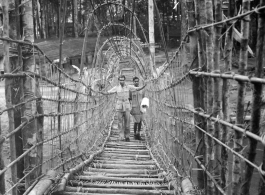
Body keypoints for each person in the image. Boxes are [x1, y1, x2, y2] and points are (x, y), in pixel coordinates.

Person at [107, 75, 145, 142]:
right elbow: (108, 92)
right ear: (119, 80)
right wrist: (101, 92)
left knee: (127, 122)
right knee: (119, 122)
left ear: (125, 80)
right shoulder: (116, 88)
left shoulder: (128, 87)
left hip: (127, 106)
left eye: (123, 80)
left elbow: (137, 88)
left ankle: (127, 136)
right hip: (119, 107)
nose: (122, 81)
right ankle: (121, 136)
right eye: (120, 80)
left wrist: (144, 86)